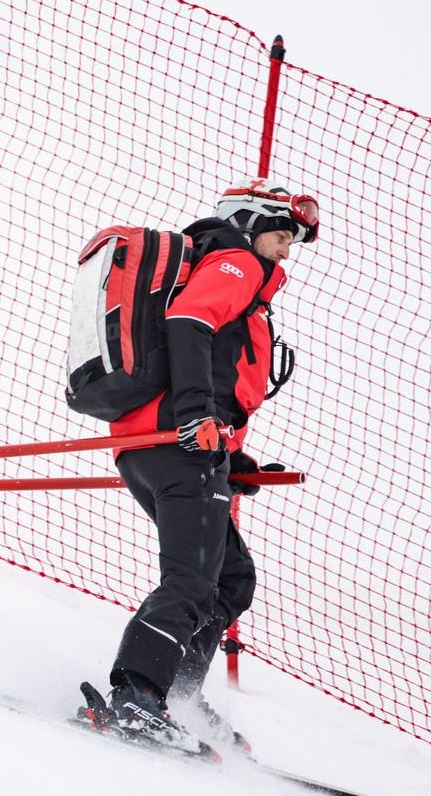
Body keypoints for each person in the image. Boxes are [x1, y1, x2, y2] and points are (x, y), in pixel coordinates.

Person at [102, 179, 318, 754]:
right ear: (250, 222)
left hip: (164, 443)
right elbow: (190, 323)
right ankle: (138, 694)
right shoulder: (234, 261)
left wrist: (230, 454)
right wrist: (197, 418)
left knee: (230, 577)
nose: (285, 248)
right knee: (194, 579)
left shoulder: (236, 270)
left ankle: (174, 690)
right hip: (176, 441)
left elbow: (218, 368)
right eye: (280, 233)